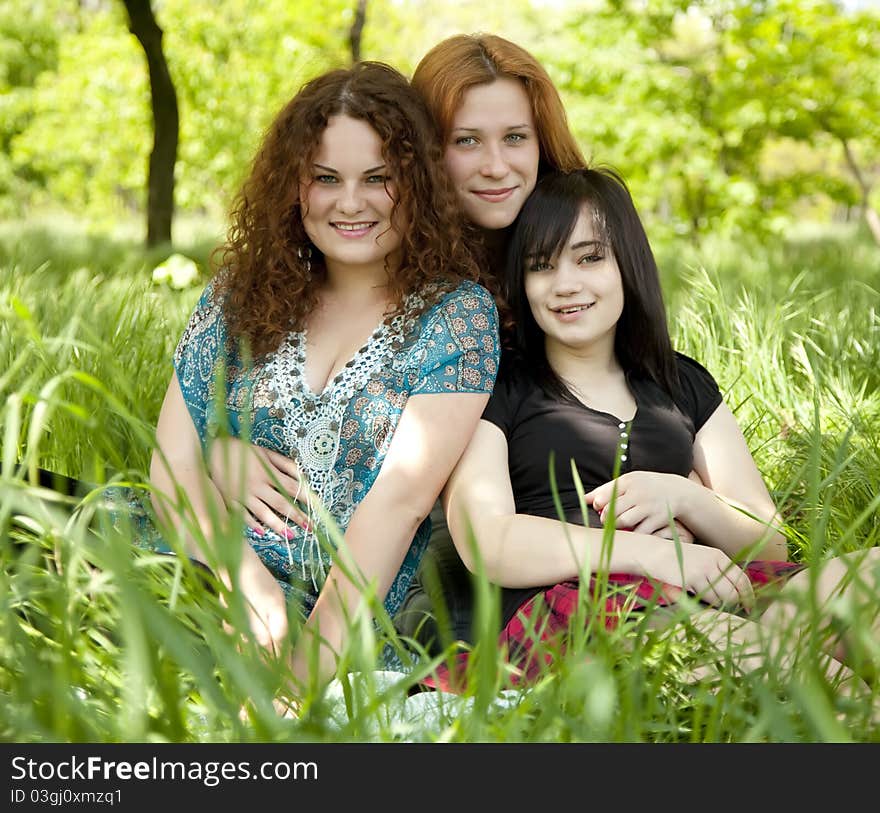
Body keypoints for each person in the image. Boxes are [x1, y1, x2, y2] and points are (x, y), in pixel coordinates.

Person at [425, 166, 879, 692]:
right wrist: (654, 554)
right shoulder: (499, 384)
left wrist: (683, 496)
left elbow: (768, 543)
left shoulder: (680, 381)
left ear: (628, 264)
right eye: (541, 266)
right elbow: (488, 541)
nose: (566, 284)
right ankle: (784, 667)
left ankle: (769, 658)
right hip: (582, 612)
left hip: (709, 593)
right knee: (831, 686)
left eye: (590, 257)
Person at [143, 61, 500, 703]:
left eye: (378, 179)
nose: (351, 203)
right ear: (294, 186)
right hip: (206, 569)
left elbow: (399, 504)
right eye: (326, 179)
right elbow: (172, 468)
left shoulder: (455, 316)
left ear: (415, 183)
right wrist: (245, 585)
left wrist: (298, 678)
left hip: (342, 619)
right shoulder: (238, 295)